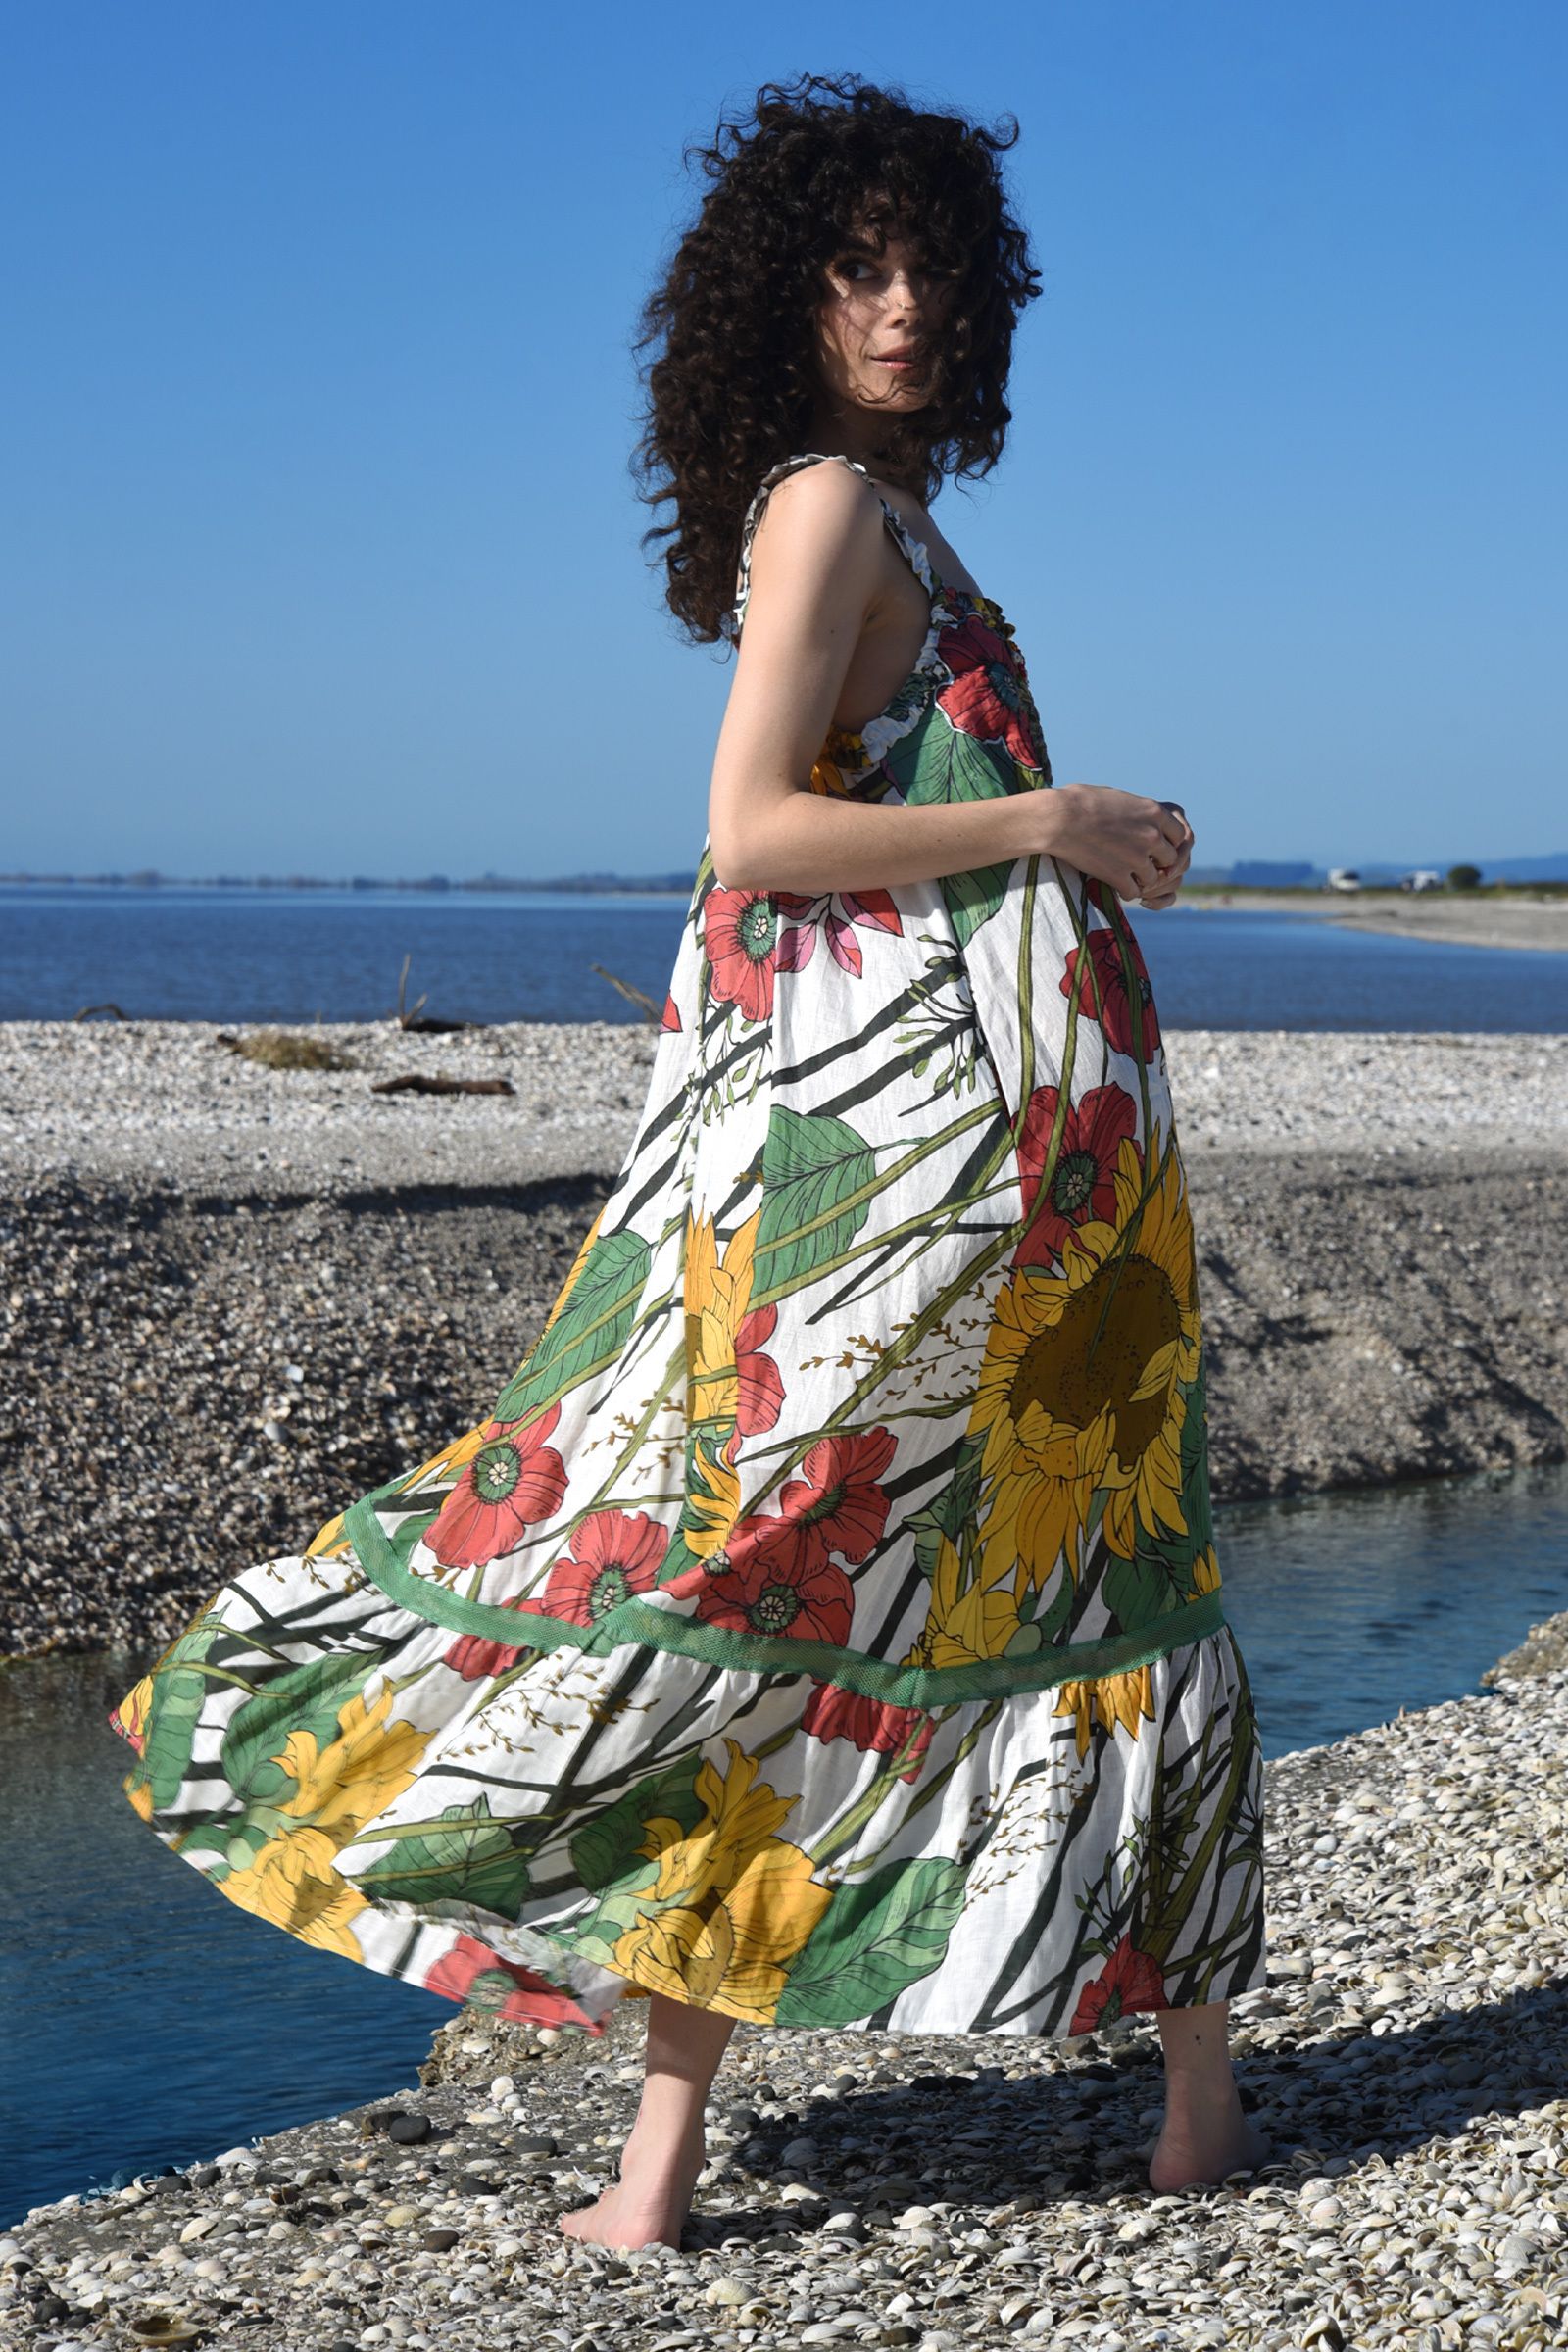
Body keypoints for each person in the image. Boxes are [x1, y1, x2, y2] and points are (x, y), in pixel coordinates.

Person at [108, 74, 1267, 2256]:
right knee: (794, 1574)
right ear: (782, 300)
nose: (903, 304)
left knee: (1069, 1562)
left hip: (1032, 1151)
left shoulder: (909, 521)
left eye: (932, 268)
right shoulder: (821, 505)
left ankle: (1167, 2100)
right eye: (858, 268)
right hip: (891, 1159)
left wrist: (1076, 859)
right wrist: (1052, 818)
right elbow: (751, 831)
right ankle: (700, 2153)